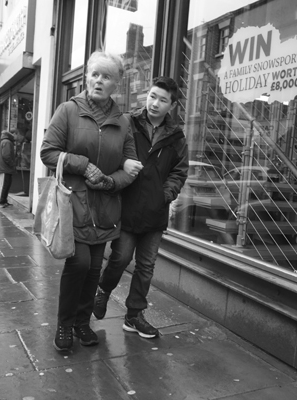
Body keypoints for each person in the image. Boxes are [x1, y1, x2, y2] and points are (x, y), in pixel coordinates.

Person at [40, 50, 140, 352]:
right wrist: (82, 164)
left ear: (116, 84)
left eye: (106, 76)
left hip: (105, 208)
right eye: (95, 74)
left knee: (95, 268)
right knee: (79, 263)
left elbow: (131, 168)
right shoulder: (68, 111)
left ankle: (83, 323)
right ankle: (65, 324)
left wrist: (110, 181)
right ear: (86, 77)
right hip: (73, 205)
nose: (99, 80)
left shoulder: (123, 122)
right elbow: (48, 153)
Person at [93, 76, 189, 339]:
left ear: (172, 105)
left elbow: (180, 172)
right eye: (153, 96)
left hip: (155, 211)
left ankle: (134, 316)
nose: (155, 103)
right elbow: (113, 152)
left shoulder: (176, 137)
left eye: (163, 100)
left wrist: (165, 194)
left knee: (146, 266)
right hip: (127, 205)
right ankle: (103, 290)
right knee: (121, 257)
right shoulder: (128, 123)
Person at [0, 130, 16, 207]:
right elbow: (6, 155)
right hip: (4, 168)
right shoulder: (7, 142)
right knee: (3, 185)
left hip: (4, 168)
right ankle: (0, 201)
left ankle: (3, 201)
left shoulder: (5, 141)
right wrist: (12, 164)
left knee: (5, 185)